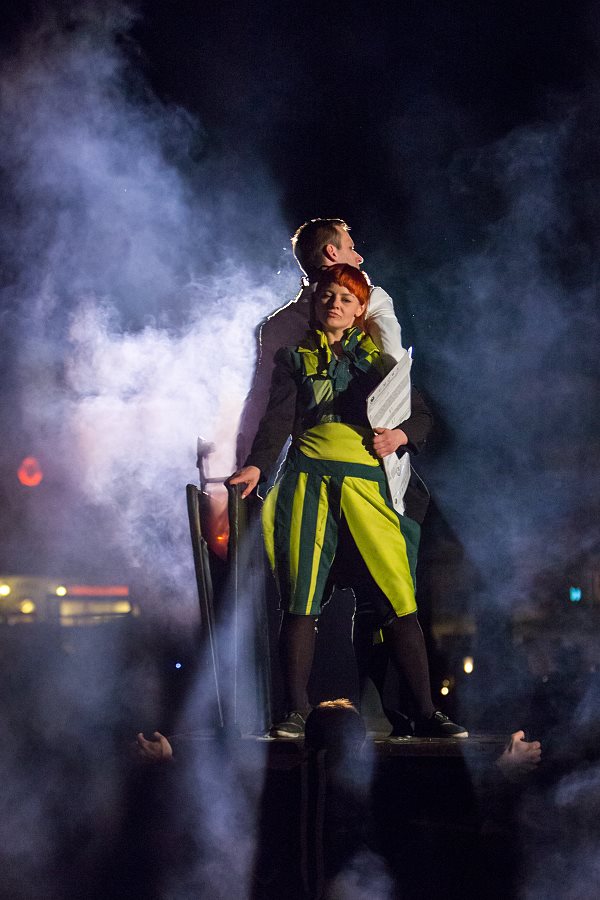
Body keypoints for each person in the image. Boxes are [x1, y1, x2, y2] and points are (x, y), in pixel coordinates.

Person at [230, 263, 467, 739]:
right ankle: (296, 711)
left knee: (398, 598)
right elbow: (276, 421)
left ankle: (425, 712)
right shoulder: (294, 359)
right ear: (315, 304)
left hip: (368, 489)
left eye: (345, 298)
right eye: (327, 296)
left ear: (361, 309)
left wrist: (399, 435)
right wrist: (257, 465)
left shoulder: (381, 362)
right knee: (300, 600)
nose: (334, 304)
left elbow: (421, 417)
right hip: (308, 484)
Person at [236, 217, 403, 467]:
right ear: (331, 252)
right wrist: (400, 433)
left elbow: (259, 401)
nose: (359, 258)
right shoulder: (369, 301)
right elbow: (394, 364)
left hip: (306, 458)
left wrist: (249, 465)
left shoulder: (276, 325)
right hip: (366, 450)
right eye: (351, 248)